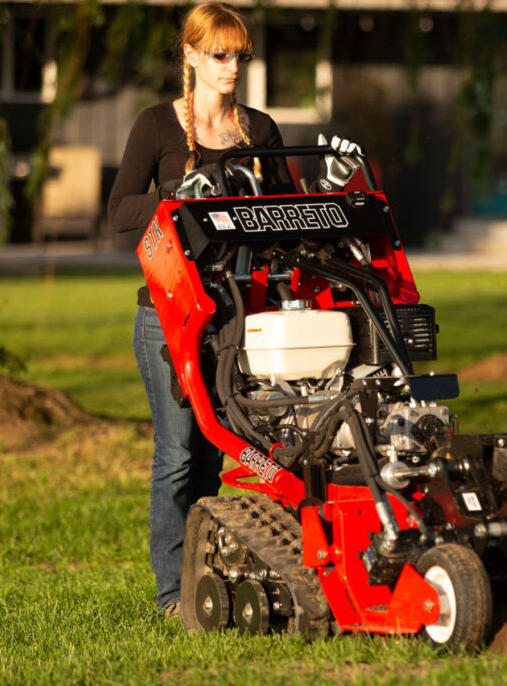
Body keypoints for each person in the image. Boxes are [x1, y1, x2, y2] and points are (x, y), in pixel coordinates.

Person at [107, 2, 360, 618]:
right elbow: (118, 212)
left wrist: (331, 186)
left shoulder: (259, 131)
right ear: (191, 55)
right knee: (177, 456)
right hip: (169, 314)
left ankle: (204, 575)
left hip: (237, 315)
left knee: (218, 452)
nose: (232, 66)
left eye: (240, 55)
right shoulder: (157, 126)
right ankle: (172, 595)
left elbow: (289, 218)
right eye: (220, 54)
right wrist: (178, 196)